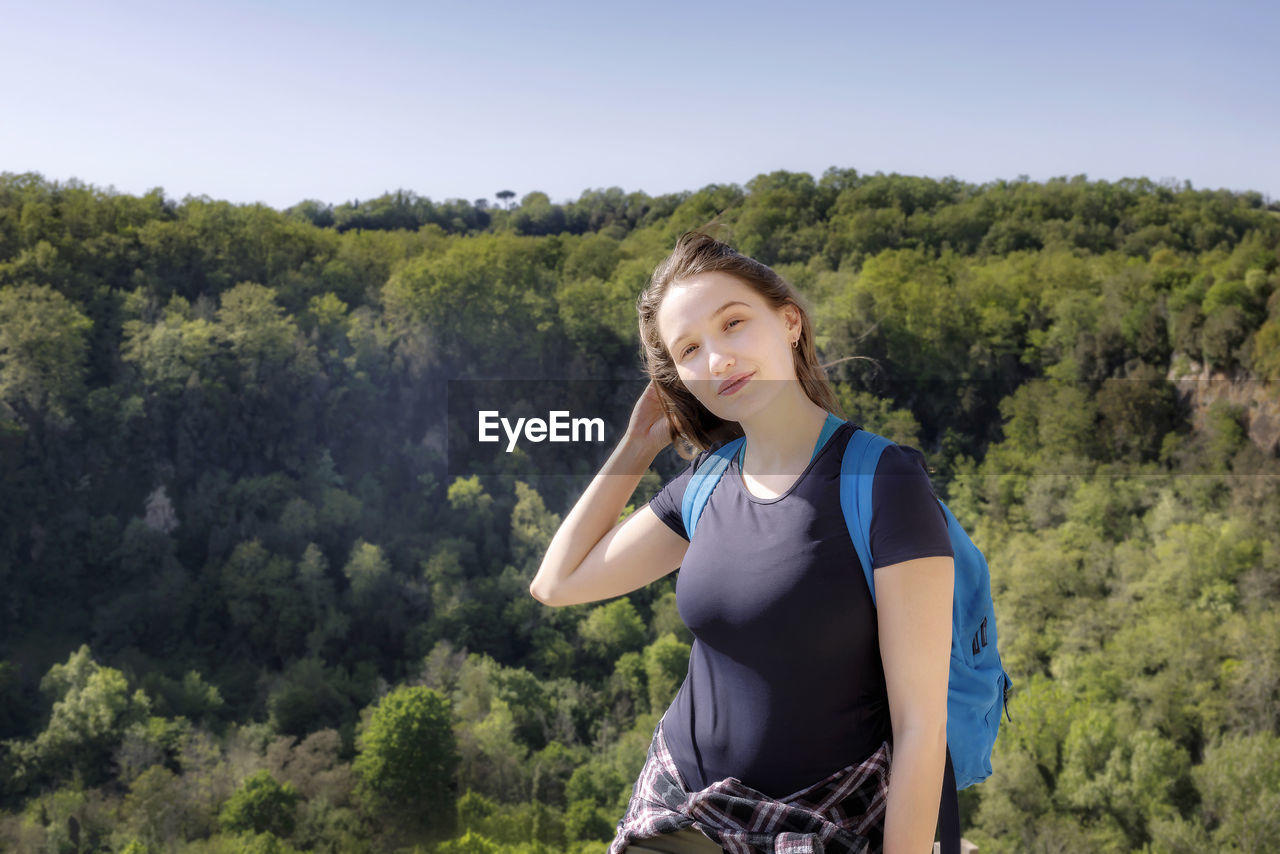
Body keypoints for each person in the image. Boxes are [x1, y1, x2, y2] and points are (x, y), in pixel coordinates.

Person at [529, 230, 955, 854]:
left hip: (820, 820)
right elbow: (557, 583)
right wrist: (637, 445)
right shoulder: (708, 481)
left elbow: (922, 726)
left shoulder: (882, 481)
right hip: (677, 811)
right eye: (689, 350)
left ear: (788, 322)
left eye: (733, 323)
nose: (718, 360)